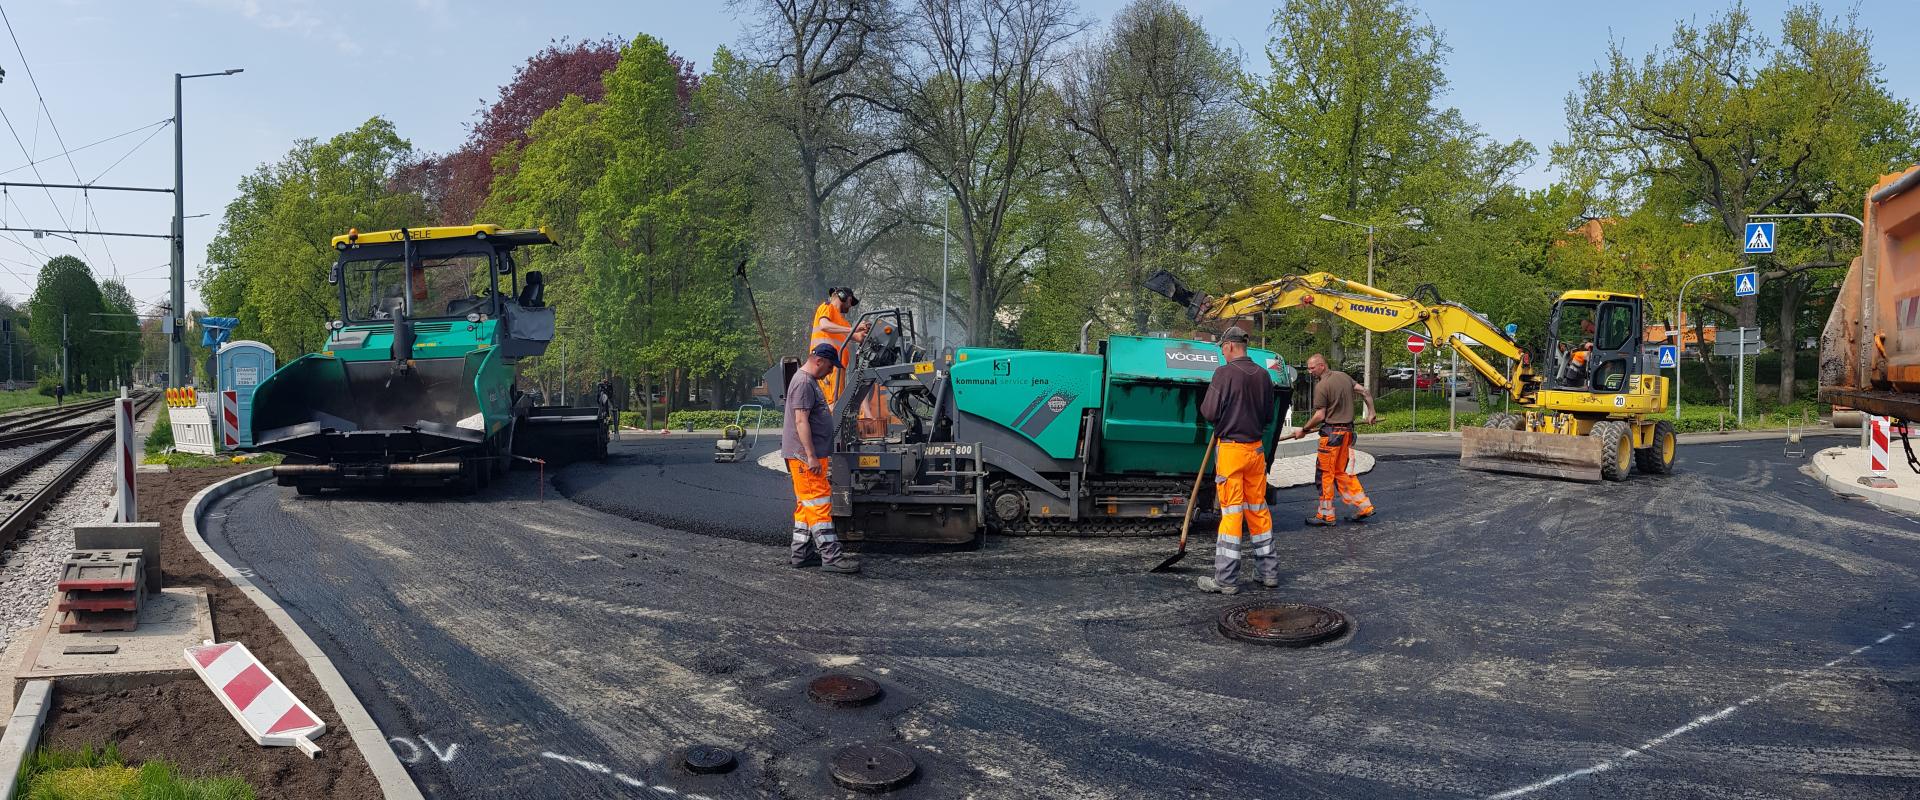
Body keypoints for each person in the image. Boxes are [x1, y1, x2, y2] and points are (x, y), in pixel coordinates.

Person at [1195, 326, 1279, 595]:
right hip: (1256, 451)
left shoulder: (1224, 373)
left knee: (1231, 513)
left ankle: (1226, 579)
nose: (1222, 354)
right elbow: (1268, 417)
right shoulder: (1264, 376)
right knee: (1258, 509)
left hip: (1232, 452)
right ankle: (1268, 573)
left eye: (1222, 349)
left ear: (1230, 346)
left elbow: (1209, 411)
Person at [783, 342, 860, 574]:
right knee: (818, 504)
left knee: (806, 505)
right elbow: (800, 421)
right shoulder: (804, 383)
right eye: (830, 366)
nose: (831, 371)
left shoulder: (808, 382)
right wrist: (811, 456)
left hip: (807, 456)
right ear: (819, 360)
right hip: (806, 458)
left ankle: (801, 553)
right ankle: (831, 557)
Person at [1293, 354, 1377, 527]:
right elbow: (1365, 392)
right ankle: (1364, 507)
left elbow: (1320, 415)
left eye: (1312, 368)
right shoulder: (1344, 377)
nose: (1309, 372)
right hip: (1346, 433)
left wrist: (1304, 429)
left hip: (1331, 436)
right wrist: (1371, 412)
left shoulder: (1322, 386)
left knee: (1325, 475)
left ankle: (1325, 516)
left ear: (1322, 366)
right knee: (1340, 473)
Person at [809, 287, 869, 407]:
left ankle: (835, 425)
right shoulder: (826, 307)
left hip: (837, 366)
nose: (851, 305)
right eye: (850, 301)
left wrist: (867, 331)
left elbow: (858, 337)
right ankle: (830, 426)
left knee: (836, 403)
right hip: (825, 364)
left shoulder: (842, 321)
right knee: (831, 404)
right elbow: (824, 326)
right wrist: (854, 329)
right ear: (842, 296)